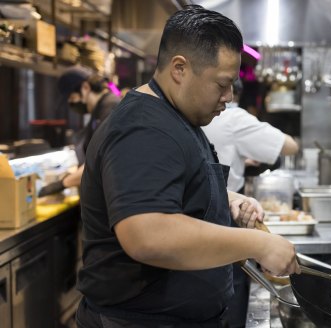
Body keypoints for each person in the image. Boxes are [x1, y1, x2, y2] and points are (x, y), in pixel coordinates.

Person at [75, 5, 300, 328]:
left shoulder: (178, 117)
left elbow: (173, 192)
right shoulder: (144, 128)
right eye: (222, 84)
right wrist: (259, 245)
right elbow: (147, 234)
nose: (229, 96)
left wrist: (227, 200)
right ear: (179, 68)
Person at [202, 79, 299, 327]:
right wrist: (262, 244)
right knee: (229, 291)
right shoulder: (235, 118)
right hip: (224, 220)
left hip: (217, 209)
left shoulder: (188, 120)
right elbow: (290, 146)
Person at [202, 79, 299, 194]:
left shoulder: (196, 114)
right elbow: (291, 146)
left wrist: (241, 161)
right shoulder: (234, 117)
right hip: (224, 202)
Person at [38, 68, 119, 197]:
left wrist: (62, 183)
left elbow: (99, 163)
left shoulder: (110, 108)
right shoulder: (98, 110)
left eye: (72, 97)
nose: (73, 104)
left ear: (86, 87)